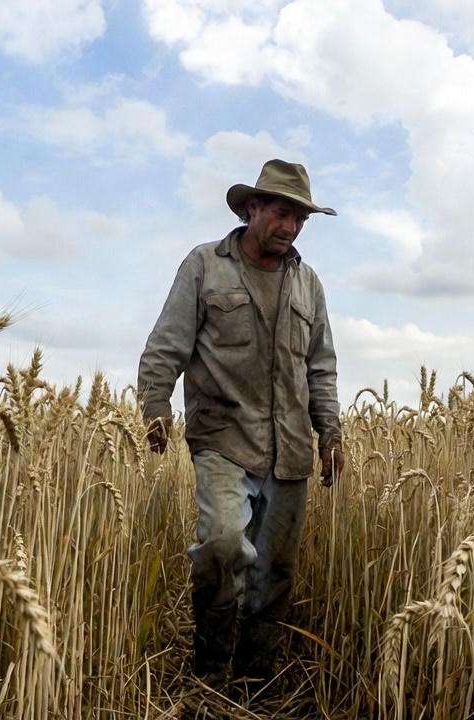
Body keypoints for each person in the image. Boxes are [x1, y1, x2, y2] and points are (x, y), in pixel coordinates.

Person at [137, 159, 344, 683]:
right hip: (223, 438)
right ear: (252, 208)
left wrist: (331, 434)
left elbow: (321, 366)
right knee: (224, 546)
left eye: (300, 218)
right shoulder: (206, 266)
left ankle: (254, 684)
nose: (291, 227)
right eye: (281, 213)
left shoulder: (308, 284)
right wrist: (155, 407)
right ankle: (209, 674)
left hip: (291, 447)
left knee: (273, 574)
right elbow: (167, 343)